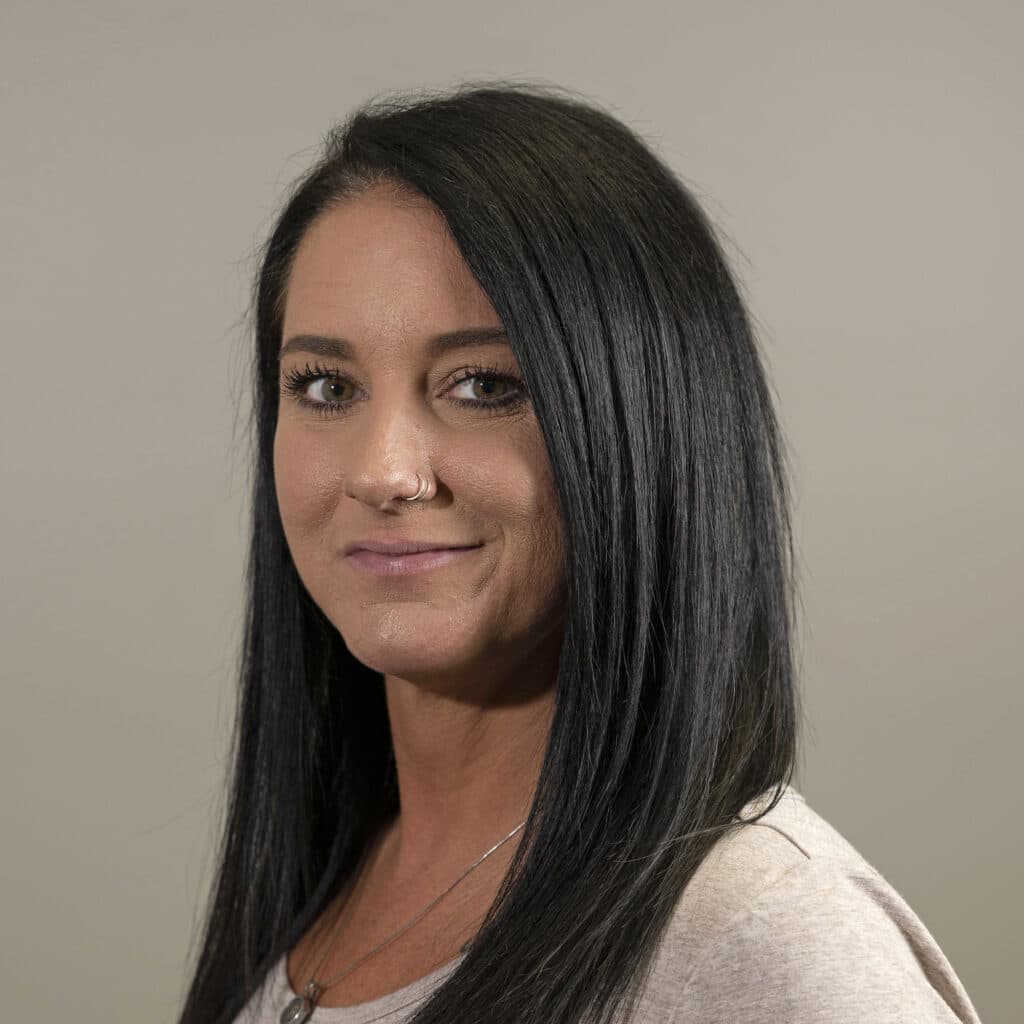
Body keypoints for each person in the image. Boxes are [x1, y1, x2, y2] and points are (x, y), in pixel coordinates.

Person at [178, 82, 983, 1024]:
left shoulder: (761, 943)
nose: (384, 473)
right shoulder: (335, 884)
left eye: (482, 384)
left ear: (643, 429)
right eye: (324, 386)